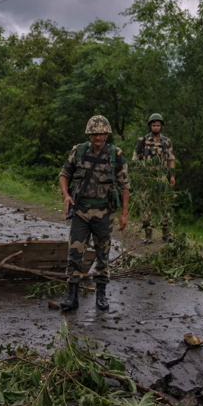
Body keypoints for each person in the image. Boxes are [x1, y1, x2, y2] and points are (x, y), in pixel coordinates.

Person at [58, 115, 130, 311]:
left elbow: (125, 186)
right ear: (89, 134)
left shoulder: (116, 155)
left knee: (102, 254)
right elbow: (64, 175)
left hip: (104, 213)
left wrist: (124, 214)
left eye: (101, 133)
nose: (98, 136)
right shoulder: (79, 151)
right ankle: (72, 296)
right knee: (74, 253)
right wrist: (66, 196)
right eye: (94, 133)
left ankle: (101, 295)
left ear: (106, 133)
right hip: (81, 211)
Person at [132, 113, 175, 243]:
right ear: (150, 126)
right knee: (145, 206)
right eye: (154, 125)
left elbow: (171, 159)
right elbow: (135, 159)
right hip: (146, 177)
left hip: (161, 178)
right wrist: (136, 175)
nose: (156, 127)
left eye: (158, 125)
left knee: (164, 205)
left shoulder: (166, 141)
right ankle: (148, 234)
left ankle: (166, 233)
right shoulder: (142, 141)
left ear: (161, 126)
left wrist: (172, 175)